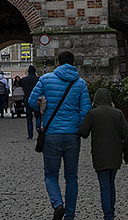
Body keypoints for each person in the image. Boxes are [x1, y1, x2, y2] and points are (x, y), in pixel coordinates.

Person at [29, 51, 92, 220]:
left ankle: (57, 205)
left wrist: (42, 104)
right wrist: (76, 126)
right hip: (72, 136)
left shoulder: (45, 79)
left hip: (52, 135)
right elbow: (85, 112)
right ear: (73, 64)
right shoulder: (80, 84)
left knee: (51, 174)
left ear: (58, 63)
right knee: (71, 177)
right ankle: (70, 215)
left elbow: (31, 101)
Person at [78, 87, 128, 220]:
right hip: (115, 154)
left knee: (104, 186)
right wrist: (127, 155)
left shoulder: (92, 114)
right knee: (111, 183)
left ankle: (108, 215)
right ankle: (111, 212)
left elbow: (83, 132)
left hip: (99, 154)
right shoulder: (118, 113)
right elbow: (127, 135)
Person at [19, 65, 41, 139]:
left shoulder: (24, 80)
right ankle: (38, 130)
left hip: (27, 99)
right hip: (36, 99)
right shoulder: (38, 79)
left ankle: (30, 135)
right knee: (38, 116)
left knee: (29, 118)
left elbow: (21, 86)